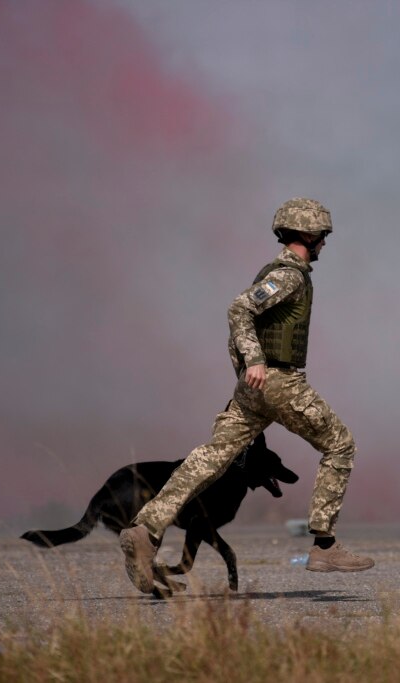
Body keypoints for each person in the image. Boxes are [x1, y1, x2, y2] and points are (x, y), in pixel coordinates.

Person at [120, 197, 374, 593]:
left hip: (254, 390)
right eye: (323, 235)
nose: (325, 243)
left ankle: (145, 529)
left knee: (210, 459)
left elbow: (242, 323)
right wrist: (255, 362)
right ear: (308, 234)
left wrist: (245, 373)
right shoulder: (288, 276)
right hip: (278, 382)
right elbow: (240, 310)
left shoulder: (280, 273)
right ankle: (324, 544)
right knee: (341, 446)